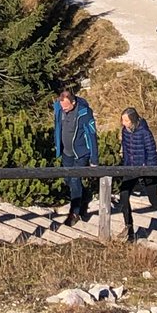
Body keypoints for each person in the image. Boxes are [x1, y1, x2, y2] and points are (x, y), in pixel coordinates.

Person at [117, 108, 157, 241]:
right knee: (123, 196)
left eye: (126, 120)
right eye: (122, 120)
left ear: (133, 120)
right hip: (130, 168)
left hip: (147, 169)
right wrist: (125, 165)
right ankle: (129, 228)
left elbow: (151, 152)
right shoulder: (125, 131)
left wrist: (148, 170)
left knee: (153, 199)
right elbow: (125, 149)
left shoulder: (144, 132)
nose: (123, 123)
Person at [52, 88, 98, 227]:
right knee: (68, 180)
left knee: (74, 179)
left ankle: (74, 212)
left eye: (67, 107)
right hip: (66, 152)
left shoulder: (84, 112)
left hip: (81, 153)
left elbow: (91, 136)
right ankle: (84, 197)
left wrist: (94, 159)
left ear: (73, 101)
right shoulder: (59, 108)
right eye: (62, 107)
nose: (64, 110)